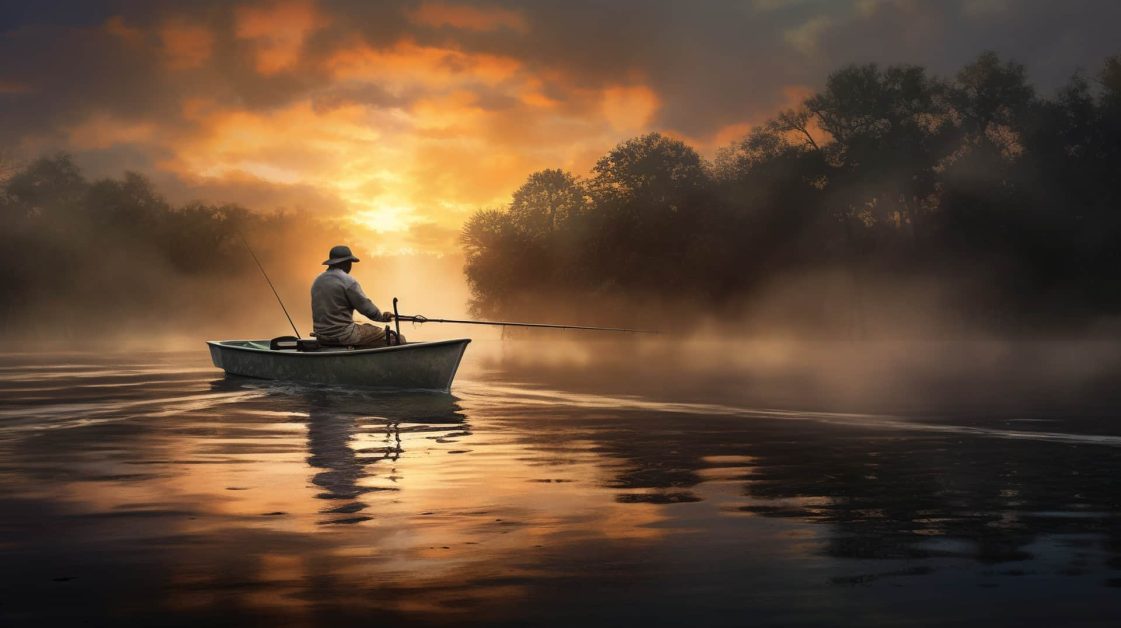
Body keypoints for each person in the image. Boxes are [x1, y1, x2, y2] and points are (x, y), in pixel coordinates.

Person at [310, 245, 405, 346]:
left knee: (365, 327)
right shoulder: (347, 281)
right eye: (350, 263)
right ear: (346, 263)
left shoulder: (317, 281)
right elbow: (367, 309)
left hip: (321, 337)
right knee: (396, 337)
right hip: (344, 335)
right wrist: (383, 317)